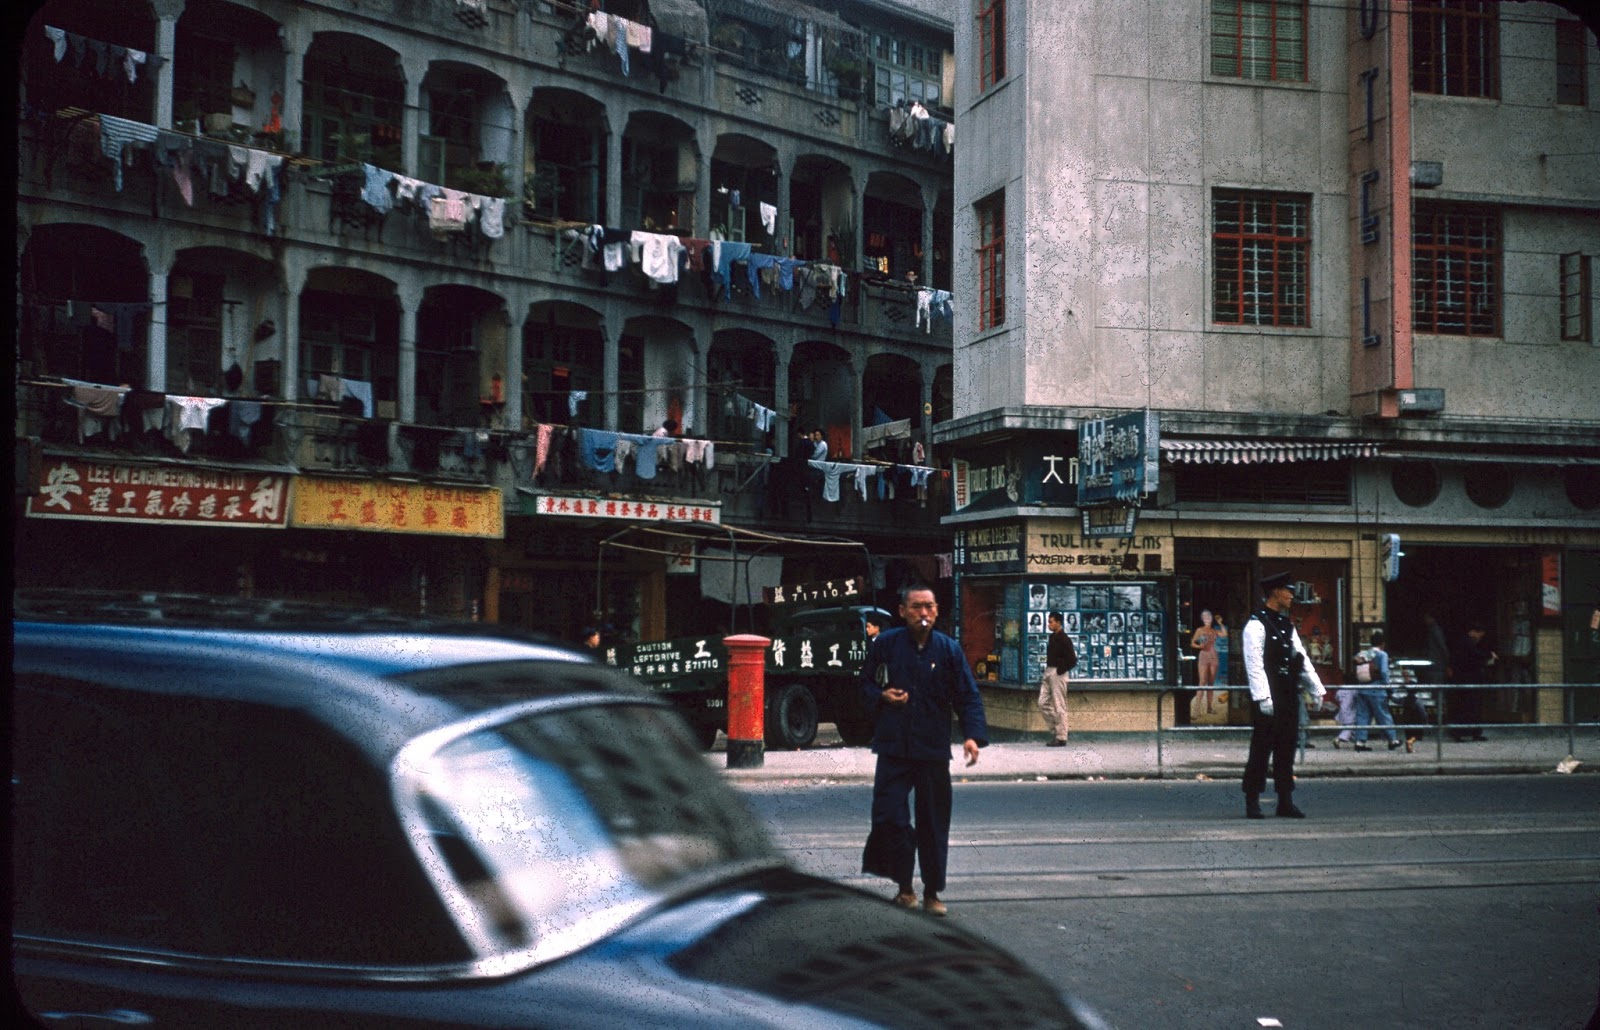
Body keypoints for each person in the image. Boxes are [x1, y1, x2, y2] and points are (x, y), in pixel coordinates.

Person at [860, 584, 987, 917]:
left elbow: (967, 695)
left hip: (932, 749)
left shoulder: (948, 649)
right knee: (891, 817)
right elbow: (863, 683)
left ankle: (932, 892)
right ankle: (904, 887)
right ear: (902, 611)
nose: (924, 613)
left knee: (933, 822)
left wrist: (972, 736)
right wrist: (881, 696)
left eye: (929, 606)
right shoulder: (886, 645)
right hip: (893, 748)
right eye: (917, 607)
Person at [1241, 571, 1325, 819]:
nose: (1291, 595)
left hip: (1288, 693)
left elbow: (1301, 657)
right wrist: (1262, 697)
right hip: (1269, 694)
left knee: (1286, 749)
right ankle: (1252, 799)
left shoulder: (1287, 624)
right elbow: (1254, 663)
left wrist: (1316, 688)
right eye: (1288, 590)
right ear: (1276, 592)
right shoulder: (1256, 624)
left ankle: (1285, 800)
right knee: (1261, 748)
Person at [1350, 629, 1402, 751]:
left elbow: (1355, 660)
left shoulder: (1364, 653)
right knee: (1383, 715)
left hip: (1362, 689)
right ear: (1382, 643)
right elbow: (1384, 672)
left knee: (1362, 716)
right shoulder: (1382, 655)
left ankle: (1360, 742)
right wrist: (1389, 687)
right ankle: (1392, 740)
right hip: (1377, 690)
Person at [1037, 612, 1077, 747]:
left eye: (1051, 622)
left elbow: (1072, 660)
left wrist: (1060, 669)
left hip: (1058, 672)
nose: (1049, 624)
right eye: (1048, 622)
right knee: (1042, 703)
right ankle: (1056, 729)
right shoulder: (1052, 637)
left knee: (1059, 704)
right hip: (1049, 670)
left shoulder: (1064, 639)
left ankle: (1061, 736)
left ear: (1059, 623)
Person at [1451, 622, 1495, 742]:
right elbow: (1474, 656)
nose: (1479, 638)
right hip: (1468, 679)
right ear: (1473, 631)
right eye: (1479, 635)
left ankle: (1464, 732)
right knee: (1469, 707)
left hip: (1465, 679)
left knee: (1467, 707)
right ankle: (1466, 732)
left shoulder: (1464, 643)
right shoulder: (1467, 643)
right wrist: (1488, 655)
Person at [1191, 609, 1220, 713]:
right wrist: (1200, 646)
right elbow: (1192, 643)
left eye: (1209, 617)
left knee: (1211, 683)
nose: (1207, 619)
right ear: (1202, 619)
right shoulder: (1200, 630)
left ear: (1211, 618)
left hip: (1213, 655)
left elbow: (1224, 634)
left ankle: (1209, 708)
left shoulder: (1213, 630)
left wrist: (1220, 623)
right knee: (1202, 682)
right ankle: (1196, 709)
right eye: (1205, 617)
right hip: (1204, 654)